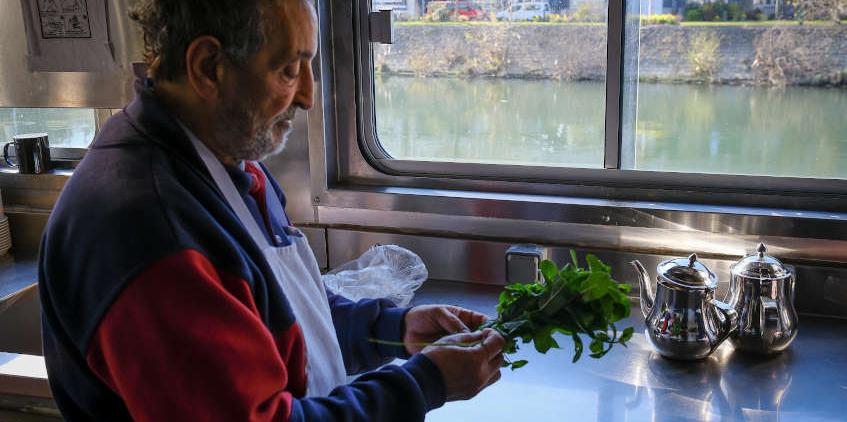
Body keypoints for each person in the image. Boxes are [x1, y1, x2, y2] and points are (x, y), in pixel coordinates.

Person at [37, 0, 505, 420]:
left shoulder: (227, 166)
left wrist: (393, 329)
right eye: (288, 69)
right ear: (208, 67)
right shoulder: (153, 236)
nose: (307, 95)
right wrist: (426, 383)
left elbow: (285, 323)